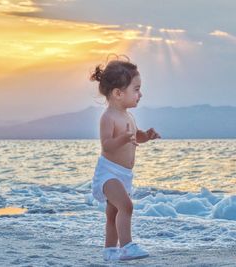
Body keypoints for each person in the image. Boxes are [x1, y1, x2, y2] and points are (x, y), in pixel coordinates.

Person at [90, 55, 161, 261]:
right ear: (118, 93)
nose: (141, 94)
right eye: (136, 89)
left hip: (124, 174)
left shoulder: (128, 115)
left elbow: (135, 135)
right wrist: (122, 138)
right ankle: (127, 246)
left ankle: (110, 250)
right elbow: (107, 145)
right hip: (108, 173)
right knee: (126, 206)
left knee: (113, 214)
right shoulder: (108, 117)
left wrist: (146, 136)